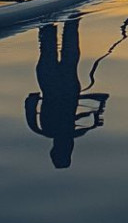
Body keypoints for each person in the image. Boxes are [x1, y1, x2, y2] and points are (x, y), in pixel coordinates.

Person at [24, 18, 109, 169]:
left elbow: (31, 101)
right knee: (53, 44)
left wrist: (98, 110)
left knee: (65, 44)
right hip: (56, 83)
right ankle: (55, 18)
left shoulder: (75, 131)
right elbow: (30, 101)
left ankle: (60, 17)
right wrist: (98, 110)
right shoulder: (42, 129)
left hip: (63, 85)